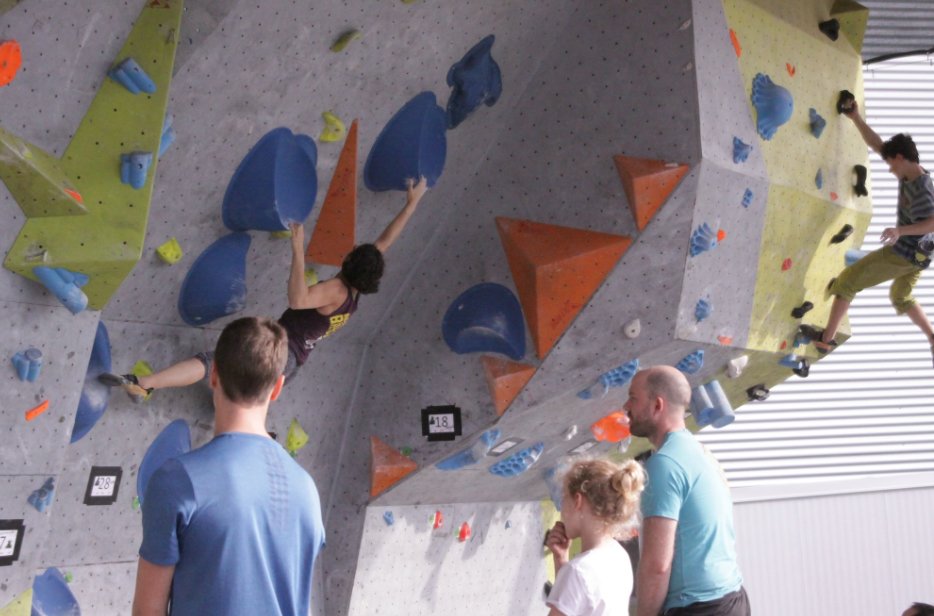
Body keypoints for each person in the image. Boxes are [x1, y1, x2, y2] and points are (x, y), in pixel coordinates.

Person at [102, 177, 429, 401]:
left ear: (350, 262)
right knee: (241, 389)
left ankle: (145, 384)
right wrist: (411, 205)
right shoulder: (355, 292)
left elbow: (297, 299)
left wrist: (297, 249)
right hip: (291, 362)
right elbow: (384, 242)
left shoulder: (336, 290)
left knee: (214, 362)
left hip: (276, 350)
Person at [131, 317, 324, 616]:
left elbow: (148, 611)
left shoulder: (178, 480)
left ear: (214, 374)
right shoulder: (307, 489)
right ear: (277, 388)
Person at [800, 99, 934, 367]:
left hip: (905, 253)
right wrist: (855, 118)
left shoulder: (922, 189)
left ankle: (826, 339)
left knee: (849, 281)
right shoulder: (909, 173)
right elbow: (878, 145)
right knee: (901, 297)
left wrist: (900, 230)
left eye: (892, 164)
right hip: (922, 257)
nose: (890, 169)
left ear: (901, 158)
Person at [624, 366, 749, 616]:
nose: (626, 406)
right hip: (732, 598)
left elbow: (657, 565)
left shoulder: (665, 464)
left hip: (702, 608)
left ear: (657, 405)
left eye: (633, 398)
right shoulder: (698, 451)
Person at [544, 458, 646, 616]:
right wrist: (561, 560)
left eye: (564, 499)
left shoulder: (577, 571)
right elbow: (580, 604)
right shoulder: (619, 556)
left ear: (577, 501)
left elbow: (577, 586)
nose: (562, 510)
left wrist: (566, 569)